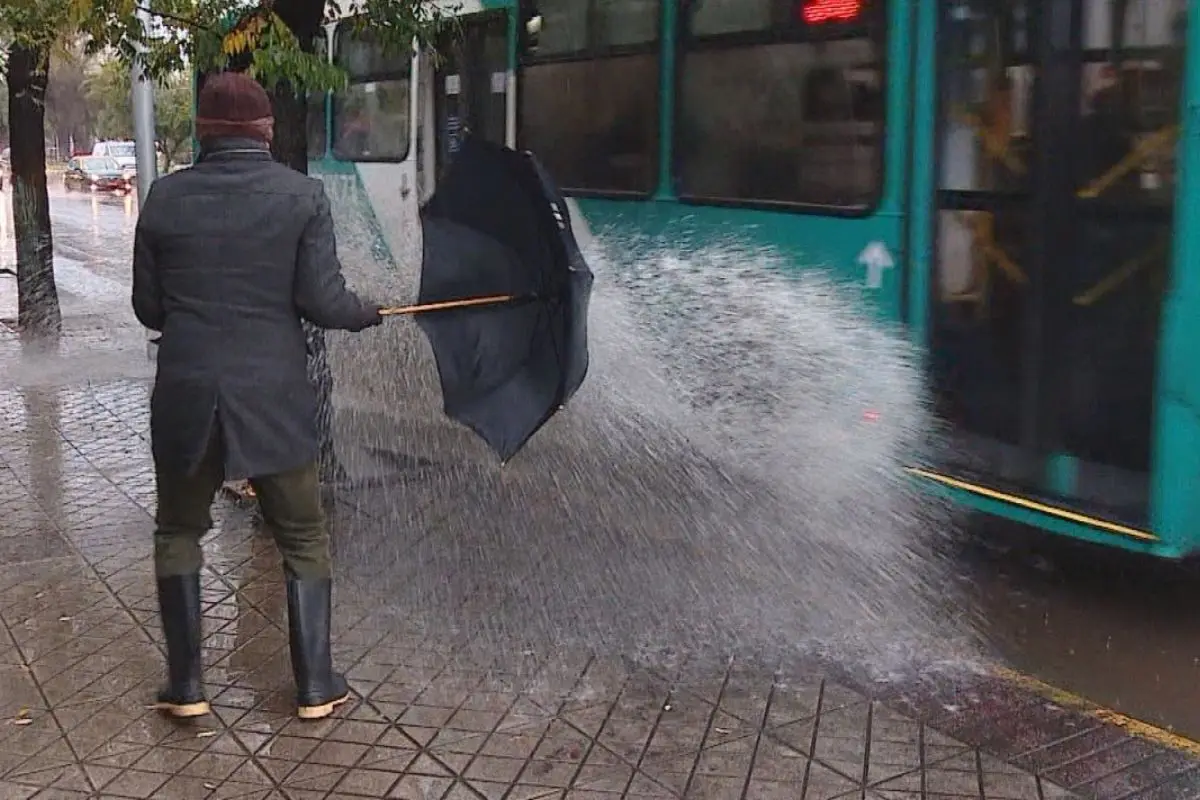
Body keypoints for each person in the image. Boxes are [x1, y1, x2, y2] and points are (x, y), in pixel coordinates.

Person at [132, 71, 383, 721]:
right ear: (266, 131)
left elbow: (148, 307)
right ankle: (315, 685)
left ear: (205, 133)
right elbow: (323, 303)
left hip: (187, 393)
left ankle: (186, 688)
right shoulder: (301, 196)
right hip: (272, 395)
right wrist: (365, 312)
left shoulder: (163, 198)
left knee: (178, 533)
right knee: (302, 536)